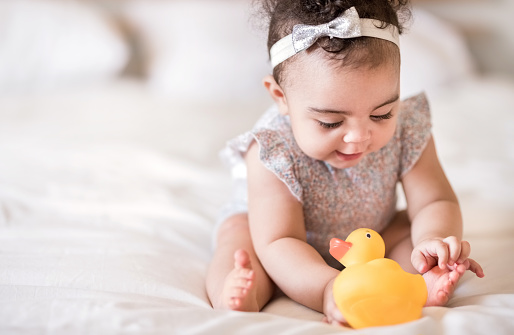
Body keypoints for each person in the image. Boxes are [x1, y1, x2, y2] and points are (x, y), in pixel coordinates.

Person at [206, 0, 484, 326]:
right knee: (240, 243)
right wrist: (327, 288)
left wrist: (432, 239)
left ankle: (419, 281)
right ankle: (238, 296)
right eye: (330, 122)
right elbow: (280, 241)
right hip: (286, 242)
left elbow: (435, 200)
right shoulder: (271, 150)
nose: (358, 137)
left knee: (412, 233)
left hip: (370, 234)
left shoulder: (409, 128)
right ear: (280, 97)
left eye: (381, 114)